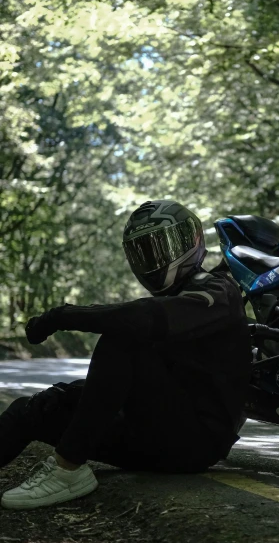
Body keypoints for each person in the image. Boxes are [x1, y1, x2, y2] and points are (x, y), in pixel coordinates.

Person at [0, 200, 252, 510]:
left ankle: (67, 469)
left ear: (192, 241)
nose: (154, 260)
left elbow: (143, 319)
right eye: (143, 252)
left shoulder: (217, 291)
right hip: (150, 433)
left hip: (195, 442)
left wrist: (62, 316)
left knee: (123, 337)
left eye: (163, 247)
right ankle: (65, 460)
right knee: (36, 408)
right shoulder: (177, 299)